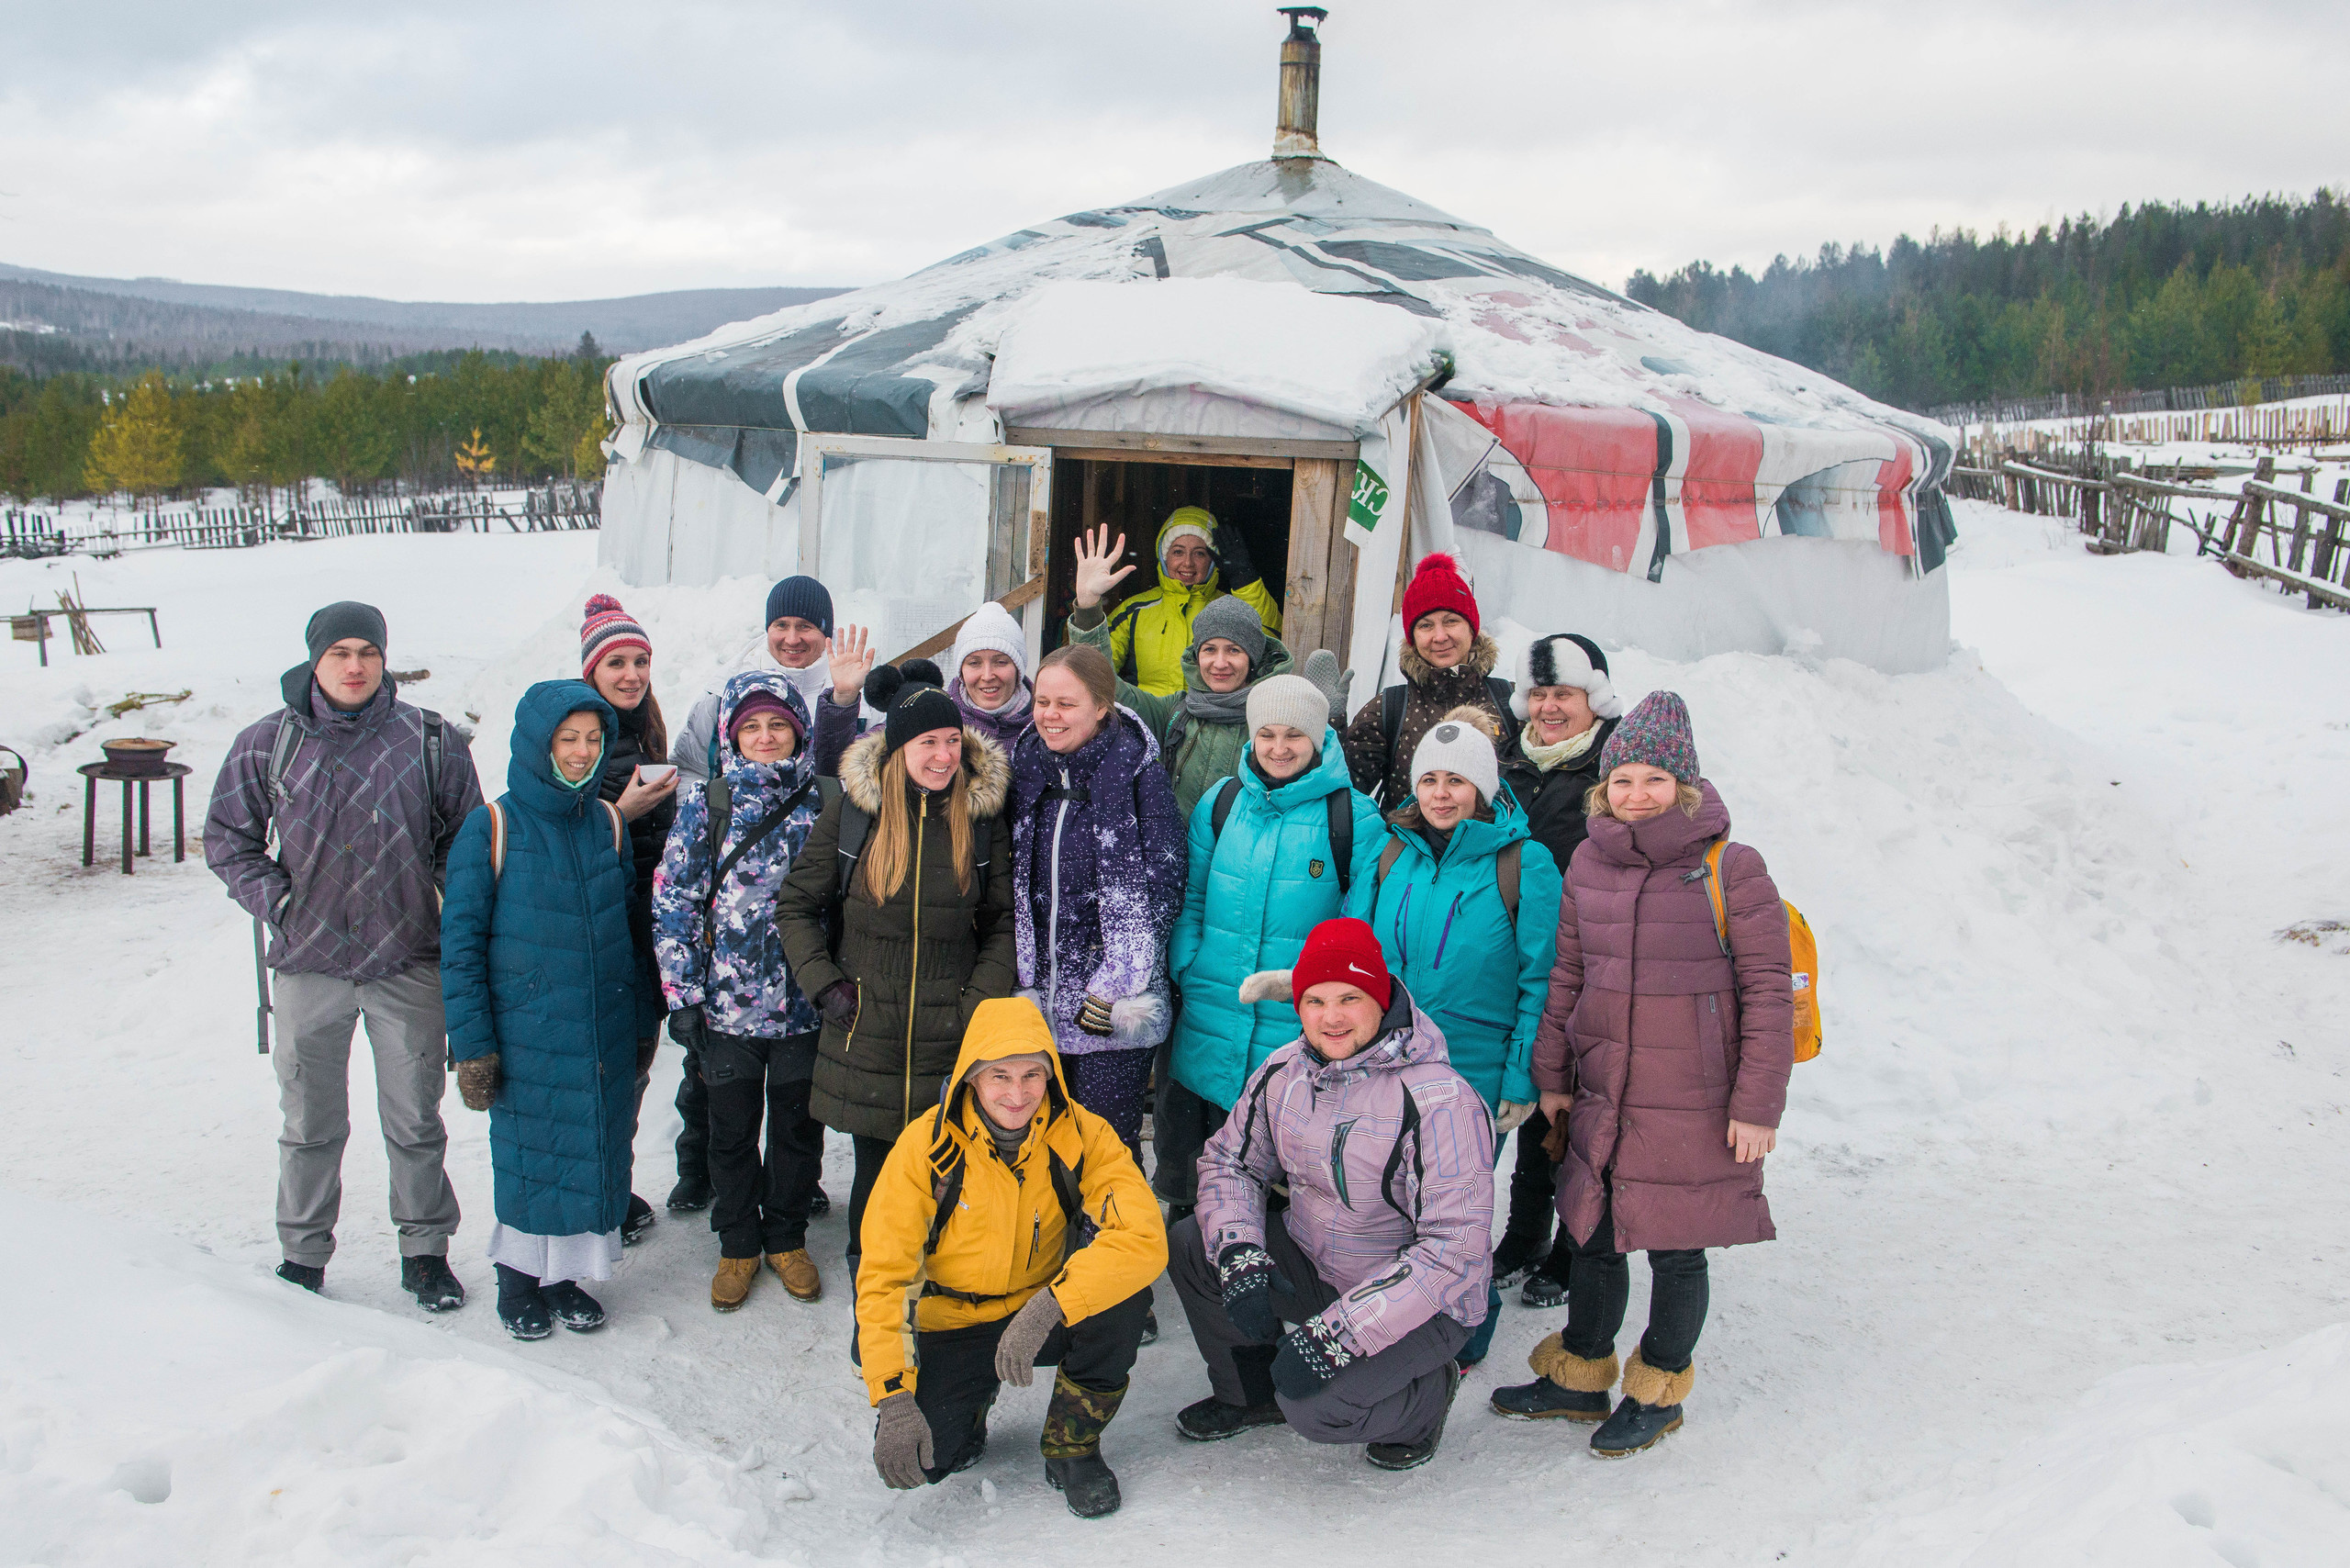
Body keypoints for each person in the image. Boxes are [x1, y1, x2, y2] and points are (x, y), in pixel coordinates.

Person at [1489, 691, 1794, 1458]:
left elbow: (1767, 995)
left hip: (1693, 1094)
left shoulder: (1733, 868)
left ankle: (1659, 1384)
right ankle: (1581, 1374)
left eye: (1654, 780)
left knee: (1675, 1246)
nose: (1635, 796)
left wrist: (1757, 1107)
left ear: (1684, 786)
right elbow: (1566, 976)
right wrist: (1553, 1075)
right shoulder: (1590, 860)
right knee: (1593, 1233)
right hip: (1601, 1086)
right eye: (1621, 780)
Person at [205, 600, 482, 1310]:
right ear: (314, 660)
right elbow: (228, 840)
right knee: (309, 1123)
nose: (354, 666)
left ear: (384, 658)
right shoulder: (270, 743)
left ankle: (425, 1251)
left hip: (407, 962)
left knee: (416, 1120)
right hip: (309, 966)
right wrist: (282, 903)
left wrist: (438, 897)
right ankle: (303, 1253)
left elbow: (467, 839)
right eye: (339, 653)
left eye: (367, 651)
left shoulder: (430, 740)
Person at [1166, 918, 1493, 1471]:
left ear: (1381, 997)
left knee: (1317, 1409)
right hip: (1314, 1258)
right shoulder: (1283, 1072)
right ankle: (1251, 1395)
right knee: (1195, 1246)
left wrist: (1338, 1336)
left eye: (1349, 997)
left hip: (1427, 1303)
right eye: (1314, 1000)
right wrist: (1241, 1251)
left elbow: (1452, 1254)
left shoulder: (1442, 1102)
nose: (1331, 1017)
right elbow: (1230, 1163)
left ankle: (1426, 1398)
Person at [856, 999, 1166, 1518]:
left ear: (1051, 1077)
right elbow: (885, 1275)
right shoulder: (923, 1147)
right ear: (971, 1078)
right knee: (928, 1459)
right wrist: (892, 1395)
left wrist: (1053, 1304)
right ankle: (970, 1401)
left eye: (1032, 1075)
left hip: (1038, 1310)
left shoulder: (1082, 1134)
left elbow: (1143, 1235)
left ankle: (1073, 1447)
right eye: (999, 1075)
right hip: (950, 1319)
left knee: (1126, 1296)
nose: (1017, 1094)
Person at [775, 676, 1017, 1288]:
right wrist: (825, 984)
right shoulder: (856, 815)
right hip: (869, 1033)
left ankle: (938, 1292)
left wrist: (976, 1004)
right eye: (927, 744)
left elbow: (1002, 926)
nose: (942, 756)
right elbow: (796, 906)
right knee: (879, 1176)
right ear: (898, 749)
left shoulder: (980, 820)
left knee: (948, 1176)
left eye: (950, 742)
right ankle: (873, 1295)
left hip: (949, 1034)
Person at [1345, 709, 1560, 1368]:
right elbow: (1355, 953)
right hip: (1388, 1061)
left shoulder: (1524, 863)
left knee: (1453, 1214)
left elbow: (1541, 980)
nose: (1441, 794)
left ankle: (1468, 1332)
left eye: (1457, 781)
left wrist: (1523, 1077)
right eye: (1430, 779)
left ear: (1484, 788)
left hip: (1474, 1070)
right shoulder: (1389, 851)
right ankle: (1397, 1317)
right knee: (1388, 1200)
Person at [441, 681, 654, 1340]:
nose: (582, 752)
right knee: (532, 1156)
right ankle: (518, 1279)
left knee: (591, 1150)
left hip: (601, 1029)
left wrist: (642, 1019)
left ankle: (565, 1277)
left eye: (594, 739)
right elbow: (460, 947)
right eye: (569, 739)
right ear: (540, 743)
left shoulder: (607, 823)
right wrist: (474, 1046)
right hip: (527, 1031)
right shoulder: (493, 826)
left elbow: (628, 928)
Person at [1158, 673, 1382, 1217]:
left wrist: (1323, 998)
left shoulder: (1351, 816)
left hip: (1292, 1015)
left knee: (1273, 1157)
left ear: (1318, 739)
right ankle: (1193, 1245)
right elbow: (1192, 892)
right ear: (1252, 737)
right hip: (1213, 1003)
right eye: (1268, 734)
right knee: (1200, 1146)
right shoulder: (1223, 801)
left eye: (1294, 737)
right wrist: (1189, 961)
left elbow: (1358, 927)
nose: (1279, 748)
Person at [670, 574, 856, 1216]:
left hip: (799, 987)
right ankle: (718, 1197)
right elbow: (691, 768)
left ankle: (787, 1205)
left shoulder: (842, 692)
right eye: (783, 626)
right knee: (721, 1104)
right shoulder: (722, 697)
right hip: (728, 987)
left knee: (797, 1118)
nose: (794, 637)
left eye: (807, 627)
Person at [653, 673, 828, 1312]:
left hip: (803, 1008)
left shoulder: (824, 801)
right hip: (727, 1008)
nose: (764, 737)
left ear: (798, 732)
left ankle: (785, 1237)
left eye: (776, 725)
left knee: (796, 1132)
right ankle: (737, 1243)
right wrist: (684, 997)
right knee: (729, 1132)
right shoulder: (709, 804)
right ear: (730, 735)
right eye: (751, 726)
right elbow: (675, 897)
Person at [1004, 644, 1185, 1161]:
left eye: (1067, 703)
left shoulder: (1137, 774)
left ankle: (1108, 1241)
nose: (1050, 716)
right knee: (1040, 1149)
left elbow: (1162, 886)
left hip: (1111, 1005)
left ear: (1103, 706)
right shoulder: (1026, 770)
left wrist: (1114, 986)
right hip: (1038, 1001)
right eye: (1042, 702)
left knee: (1105, 1151)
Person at [1492, 633, 1625, 1300]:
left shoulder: (1615, 767)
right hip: (1525, 959)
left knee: (1582, 1114)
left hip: (1599, 964)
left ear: (1591, 697)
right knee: (1536, 1102)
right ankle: (1524, 1233)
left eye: (1562, 694)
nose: (1548, 707)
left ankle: (1575, 1249)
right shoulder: (1508, 762)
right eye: (1538, 694)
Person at [1065, 522, 1300, 818]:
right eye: (1209, 650)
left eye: (1235, 650)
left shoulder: (1272, 725)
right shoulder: (1175, 714)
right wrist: (1088, 606)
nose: (1220, 663)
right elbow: (1102, 683)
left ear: (1253, 657)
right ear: (1196, 655)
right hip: (1172, 855)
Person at [578, 594, 681, 1242]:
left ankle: (613, 1185)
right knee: (602, 1070)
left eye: (640, 660)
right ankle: (594, 1193)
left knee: (637, 1065)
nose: (631, 674)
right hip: (599, 933)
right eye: (616, 662)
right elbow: (558, 838)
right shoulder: (577, 738)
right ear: (590, 670)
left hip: (646, 930)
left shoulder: (649, 732)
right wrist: (625, 811)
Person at [1341, 552, 1516, 810]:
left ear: (1472, 628)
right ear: (1412, 636)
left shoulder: (1510, 701)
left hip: (1496, 848)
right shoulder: (1389, 709)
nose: (1440, 636)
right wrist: (1328, 730)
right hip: (1410, 847)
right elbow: (1343, 791)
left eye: (1451, 621)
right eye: (1425, 625)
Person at [1093, 507, 1283, 697]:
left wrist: (1245, 579)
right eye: (1178, 552)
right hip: (1149, 719)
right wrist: (1088, 602)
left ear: (1213, 560)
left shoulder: (1230, 608)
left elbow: (1271, 641)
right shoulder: (1135, 609)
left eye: (1199, 553)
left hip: (1213, 720)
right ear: (1163, 556)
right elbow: (1093, 667)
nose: (1188, 563)